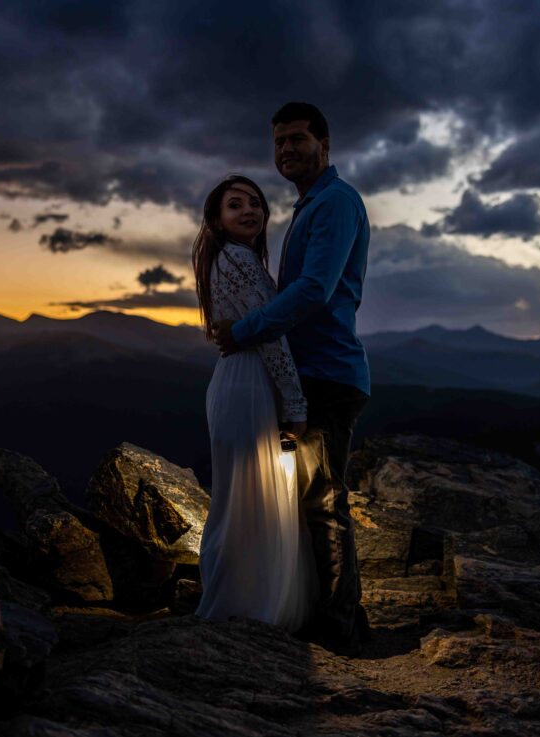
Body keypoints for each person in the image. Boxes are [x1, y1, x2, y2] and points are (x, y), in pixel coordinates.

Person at [214, 102, 371, 653]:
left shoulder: (333, 203)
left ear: (324, 145)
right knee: (316, 501)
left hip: (328, 373)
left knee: (324, 504)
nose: (286, 150)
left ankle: (338, 631)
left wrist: (245, 329)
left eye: (297, 139)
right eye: (279, 142)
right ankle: (343, 616)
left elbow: (313, 291)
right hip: (314, 374)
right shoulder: (313, 206)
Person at [192, 173, 319, 632]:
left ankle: (237, 599)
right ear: (218, 219)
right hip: (250, 384)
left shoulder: (227, 258)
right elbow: (271, 339)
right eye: (235, 205)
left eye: (255, 204)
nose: (249, 211)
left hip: (234, 383)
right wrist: (296, 406)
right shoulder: (240, 260)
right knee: (254, 501)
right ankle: (248, 608)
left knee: (240, 499)